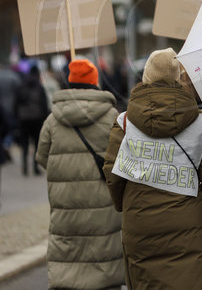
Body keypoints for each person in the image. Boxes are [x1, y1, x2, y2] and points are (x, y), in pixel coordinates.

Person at [103, 47, 202, 290]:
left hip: (139, 219)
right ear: (177, 77)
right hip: (188, 219)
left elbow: (112, 171)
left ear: (146, 75)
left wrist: (123, 203)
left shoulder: (125, 122)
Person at [36, 59, 125, 290]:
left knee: (69, 265)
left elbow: (42, 158)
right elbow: (121, 160)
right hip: (103, 207)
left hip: (66, 207)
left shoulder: (52, 120)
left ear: (70, 81)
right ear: (95, 80)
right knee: (103, 265)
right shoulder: (110, 117)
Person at [15, 65, 49, 175]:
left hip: (23, 119)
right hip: (37, 118)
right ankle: (35, 167)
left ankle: (24, 167)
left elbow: (15, 103)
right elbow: (44, 104)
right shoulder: (39, 86)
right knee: (36, 143)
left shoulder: (21, 85)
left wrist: (17, 117)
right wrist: (45, 118)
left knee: (24, 143)